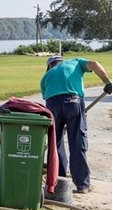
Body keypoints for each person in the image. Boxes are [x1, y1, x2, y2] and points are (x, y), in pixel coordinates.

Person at [40, 55, 112, 194]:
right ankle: (82, 185)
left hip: (52, 105)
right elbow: (95, 63)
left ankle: (59, 184)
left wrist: (61, 117)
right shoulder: (75, 62)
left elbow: (50, 100)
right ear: (62, 61)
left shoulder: (45, 77)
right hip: (73, 101)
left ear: (49, 66)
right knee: (77, 142)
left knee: (56, 144)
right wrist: (107, 81)